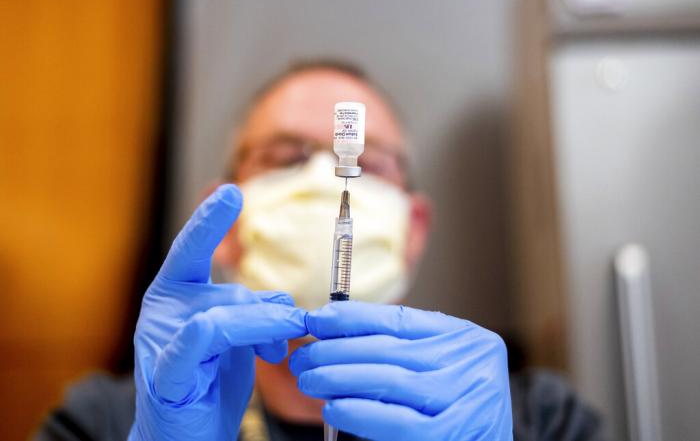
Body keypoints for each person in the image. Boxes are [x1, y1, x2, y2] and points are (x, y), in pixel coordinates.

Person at [35, 61, 608, 441]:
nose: (320, 178)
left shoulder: (535, 419)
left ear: (414, 228)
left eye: (368, 162)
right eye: (285, 158)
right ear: (225, 222)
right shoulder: (108, 423)